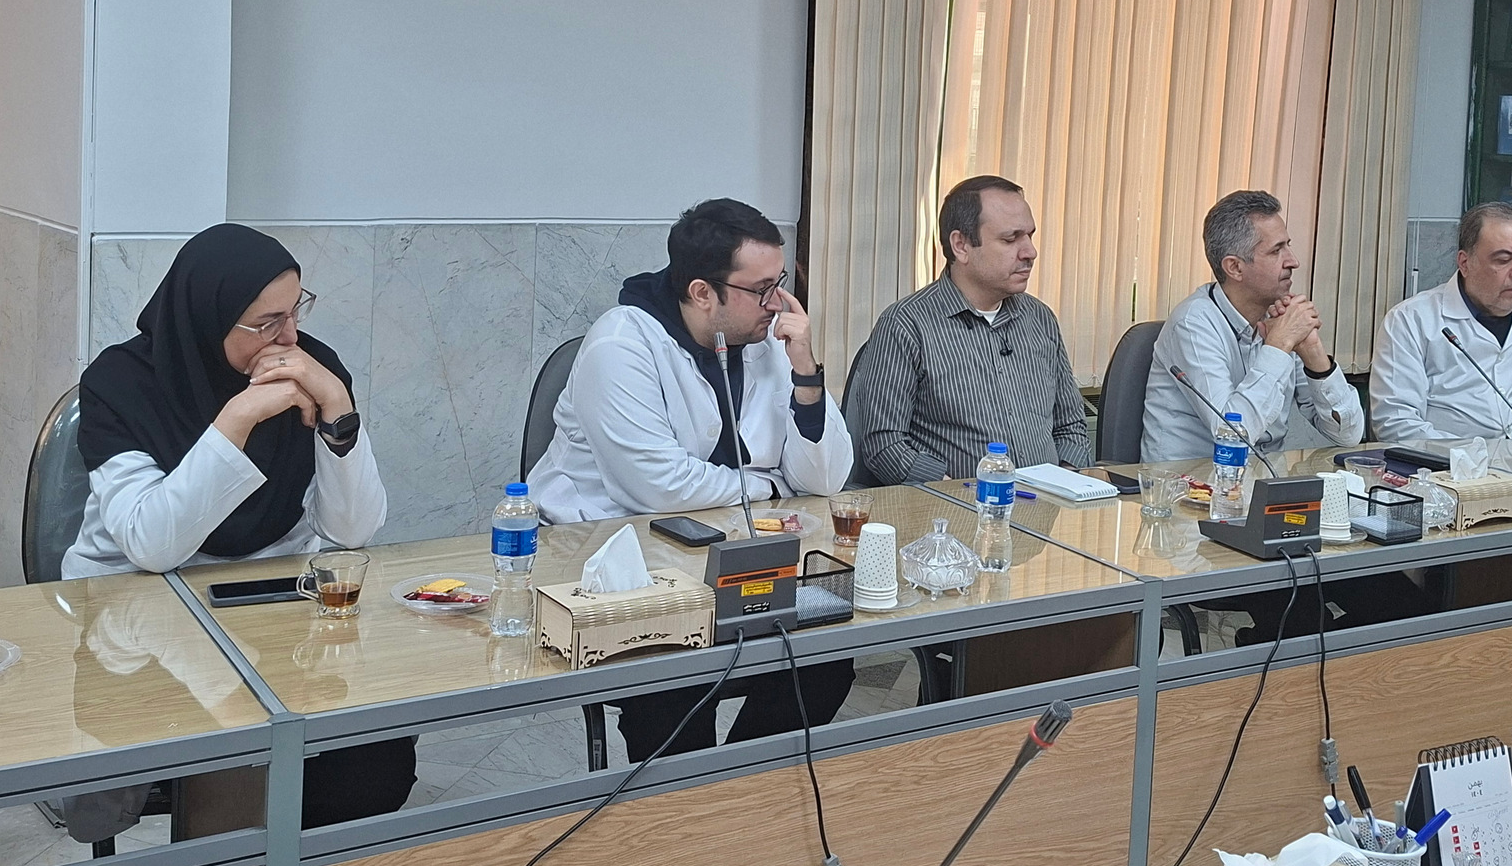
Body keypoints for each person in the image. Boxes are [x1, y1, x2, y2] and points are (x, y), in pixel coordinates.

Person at [65, 224, 414, 830]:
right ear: (208, 319)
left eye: (296, 310)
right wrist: (240, 417)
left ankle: (290, 863)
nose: (291, 337)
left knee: (372, 766)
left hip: (269, 608)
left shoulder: (311, 369)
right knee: (232, 761)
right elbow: (152, 546)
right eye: (267, 323)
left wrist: (338, 407)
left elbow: (352, 531)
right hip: (138, 618)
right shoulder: (121, 384)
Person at [529, 198, 854, 761]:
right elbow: (658, 488)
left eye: (780, 284)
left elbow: (825, 478)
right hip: (607, 557)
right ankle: (686, 804)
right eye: (761, 289)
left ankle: (743, 789)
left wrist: (805, 370)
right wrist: (768, 485)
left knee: (824, 663)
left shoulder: (766, 341)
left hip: (723, 553)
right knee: (675, 686)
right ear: (703, 292)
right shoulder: (621, 345)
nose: (777, 305)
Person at [847, 175, 1090, 485]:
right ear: (961, 245)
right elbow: (885, 444)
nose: (1030, 252)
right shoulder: (907, 324)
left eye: (1030, 236)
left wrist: (1067, 483)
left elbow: (1071, 426)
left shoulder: (1040, 319)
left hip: (1047, 503)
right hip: (952, 507)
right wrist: (958, 494)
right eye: (1010, 239)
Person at [1142, 190, 1362, 464]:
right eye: (1276, 251)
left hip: (1263, 480)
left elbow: (1348, 435)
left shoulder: (1280, 317)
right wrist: (1278, 346)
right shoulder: (1192, 324)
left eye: (1288, 246)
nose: (1293, 261)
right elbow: (1233, 434)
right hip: (1188, 482)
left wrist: (1314, 353)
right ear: (1235, 267)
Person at [1370, 200, 1512, 451]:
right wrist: (1473, 460)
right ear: (1465, 263)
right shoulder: (1412, 320)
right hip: (1453, 468)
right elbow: (1396, 423)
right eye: (1504, 260)